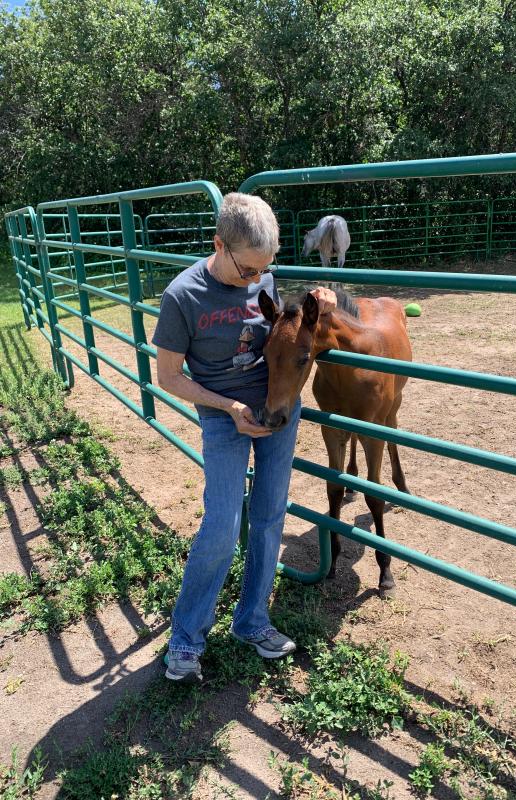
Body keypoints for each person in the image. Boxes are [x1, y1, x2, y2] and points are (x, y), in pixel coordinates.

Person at [152, 192, 337, 682]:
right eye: (250, 270)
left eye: (265, 270)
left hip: (277, 409)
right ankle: (186, 639)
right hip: (223, 415)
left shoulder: (265, 279)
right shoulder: (183, 296)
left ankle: (252, 621)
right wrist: (229, 407)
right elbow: (168, 377)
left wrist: (326, 299)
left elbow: (295, 334)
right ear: (220, 245)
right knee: (221, 524)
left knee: (271, 513)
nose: (258, 279)